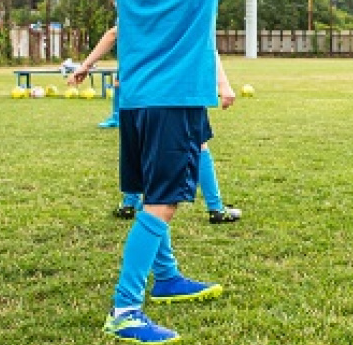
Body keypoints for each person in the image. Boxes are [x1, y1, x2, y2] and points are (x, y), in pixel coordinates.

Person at [0, 0, 353, 345]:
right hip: (176, 103)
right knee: (162, 202)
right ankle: (125, 309)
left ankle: (166, 278)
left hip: (134, 102)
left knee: (151, 190)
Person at [68, 25, 241, 224]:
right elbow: (205, 42)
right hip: (178, 90)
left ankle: (130, 202)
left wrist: (86, 65)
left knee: (140, 144)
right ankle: (216, 207)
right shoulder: (183, 3)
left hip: (136, 91)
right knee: (199, 144)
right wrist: (223, 83)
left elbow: (115, 33)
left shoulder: (138, 1)